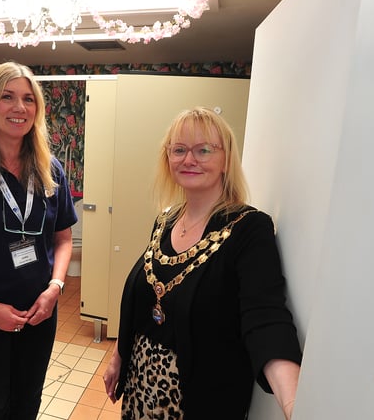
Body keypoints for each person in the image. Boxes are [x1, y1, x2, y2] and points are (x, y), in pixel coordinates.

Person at [103, 107, 302, 419]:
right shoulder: (166, 220)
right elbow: (144, 303)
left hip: (200, 399)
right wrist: (119, 356)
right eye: (179, 150)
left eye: (204, 150)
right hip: (141, 387)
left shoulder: (248, 228)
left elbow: (266, 317)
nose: (189, 159)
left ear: (226, 160)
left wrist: (294, 404)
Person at [0, 61, 77, 420]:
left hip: (40, 313)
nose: (19, 108)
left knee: (27, 404)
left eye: (28, 99)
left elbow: (63, 238)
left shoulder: (49, 169)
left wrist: (54, 289)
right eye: (7, 97)